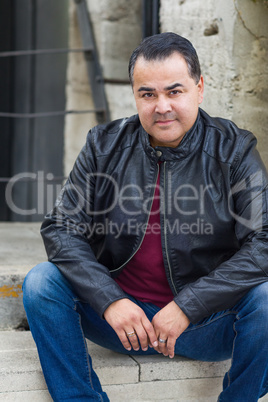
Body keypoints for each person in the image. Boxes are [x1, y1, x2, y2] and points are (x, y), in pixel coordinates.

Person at [23, 32, 268, 402]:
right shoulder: (103, 145)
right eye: (148, 94)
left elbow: (263, 243)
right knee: (42, 283)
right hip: (122, 322)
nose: (162, 106)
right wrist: (110, 300)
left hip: (204, 325)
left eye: (175, 91)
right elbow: (61, 227)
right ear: (134, 95)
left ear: (199, 88)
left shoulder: (234, 149)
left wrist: (189, 306)